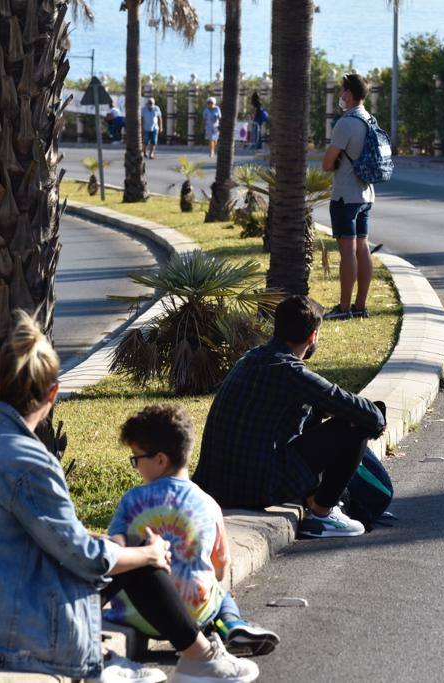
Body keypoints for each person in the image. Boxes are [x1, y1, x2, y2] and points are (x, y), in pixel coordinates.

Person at [0, 310, 258, 683]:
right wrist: (146, 554)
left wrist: (125, 546)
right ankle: (198, 657)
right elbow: (83, 559)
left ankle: (117, 655)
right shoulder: (32, 464)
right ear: (52, 392)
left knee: (126, 544)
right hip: (8, 635)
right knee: (137, 552)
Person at [192, 295, 387, 539]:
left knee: (326, 413)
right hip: (258, 488)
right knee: (355, 425)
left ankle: (316, 498)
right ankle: (322, 512)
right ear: (313, 336)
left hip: (216, 484)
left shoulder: (251, 359)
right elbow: (367, 414)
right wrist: (376, 421)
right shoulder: (290, 371)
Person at [107, 404, 280, 657]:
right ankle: (232, 623)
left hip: (135, 615)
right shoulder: (208, 504)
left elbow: (114, 550)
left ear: (160, 459)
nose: (136, 466)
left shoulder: (133, 501)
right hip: (194, 615)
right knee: (220, 595)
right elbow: (221, 567)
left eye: (136, 459)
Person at [322, 73, 378, 320]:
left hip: (346, 194)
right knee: (362, 247)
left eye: (343, 91)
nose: (340, 96)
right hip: (366, 194)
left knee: (347, 250)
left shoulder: (345, 123)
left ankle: (344, 308)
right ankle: (360, 305)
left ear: (350, 93)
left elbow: (326, 163)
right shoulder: (370, 120)